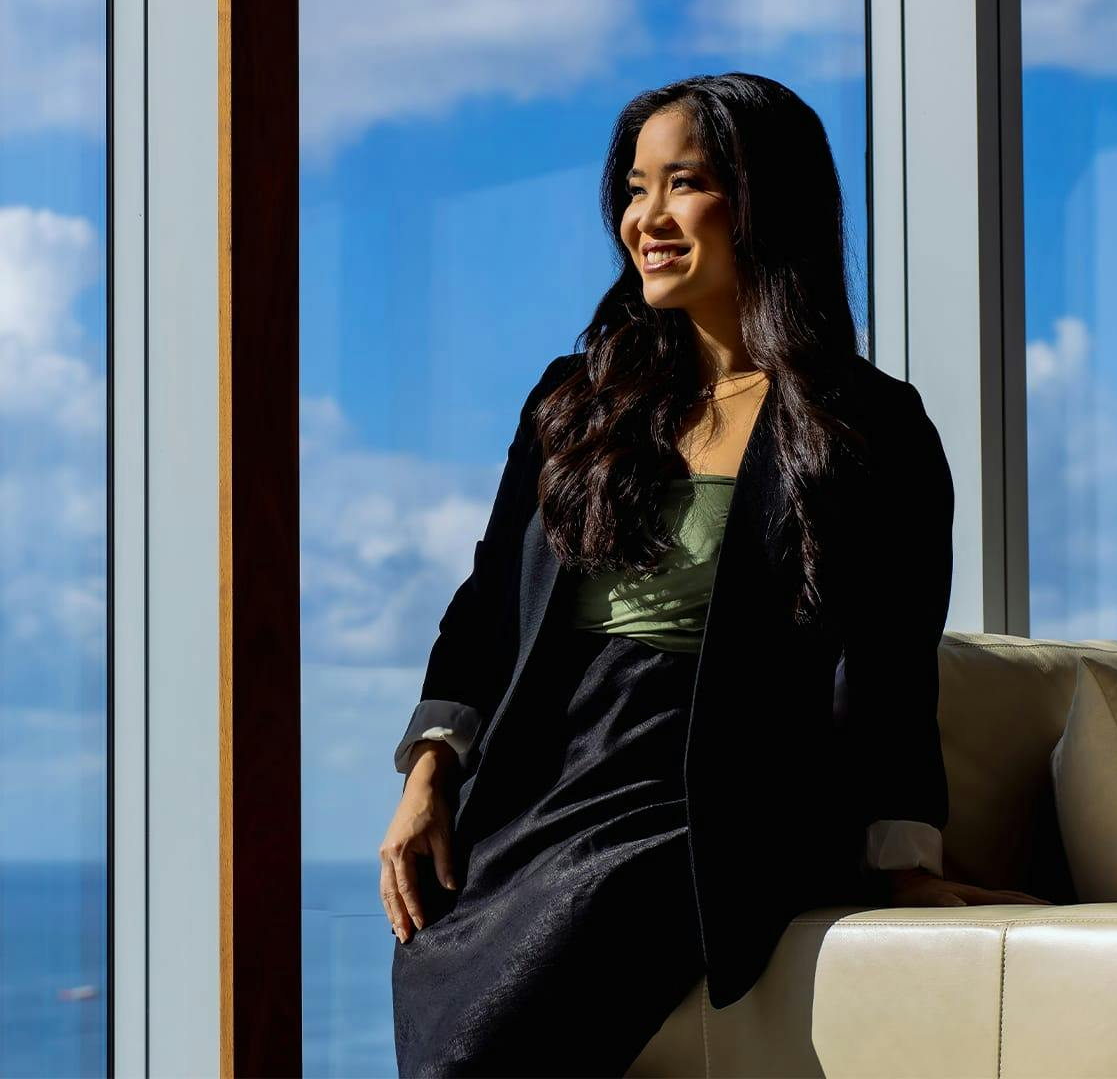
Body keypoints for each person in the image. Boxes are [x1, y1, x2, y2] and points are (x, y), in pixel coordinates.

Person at [379, 72, 1049, 1077]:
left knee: (493, 1042)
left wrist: (905, 866)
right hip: (544, 784)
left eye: (682, 183)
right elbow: (487, 603)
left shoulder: (864, 427)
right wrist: (431, 772)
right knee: (442, 963)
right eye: (633, 188)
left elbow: (888, 665)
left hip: (711, 798)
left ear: (760, 200)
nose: (645, 218)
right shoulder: (574, 403)